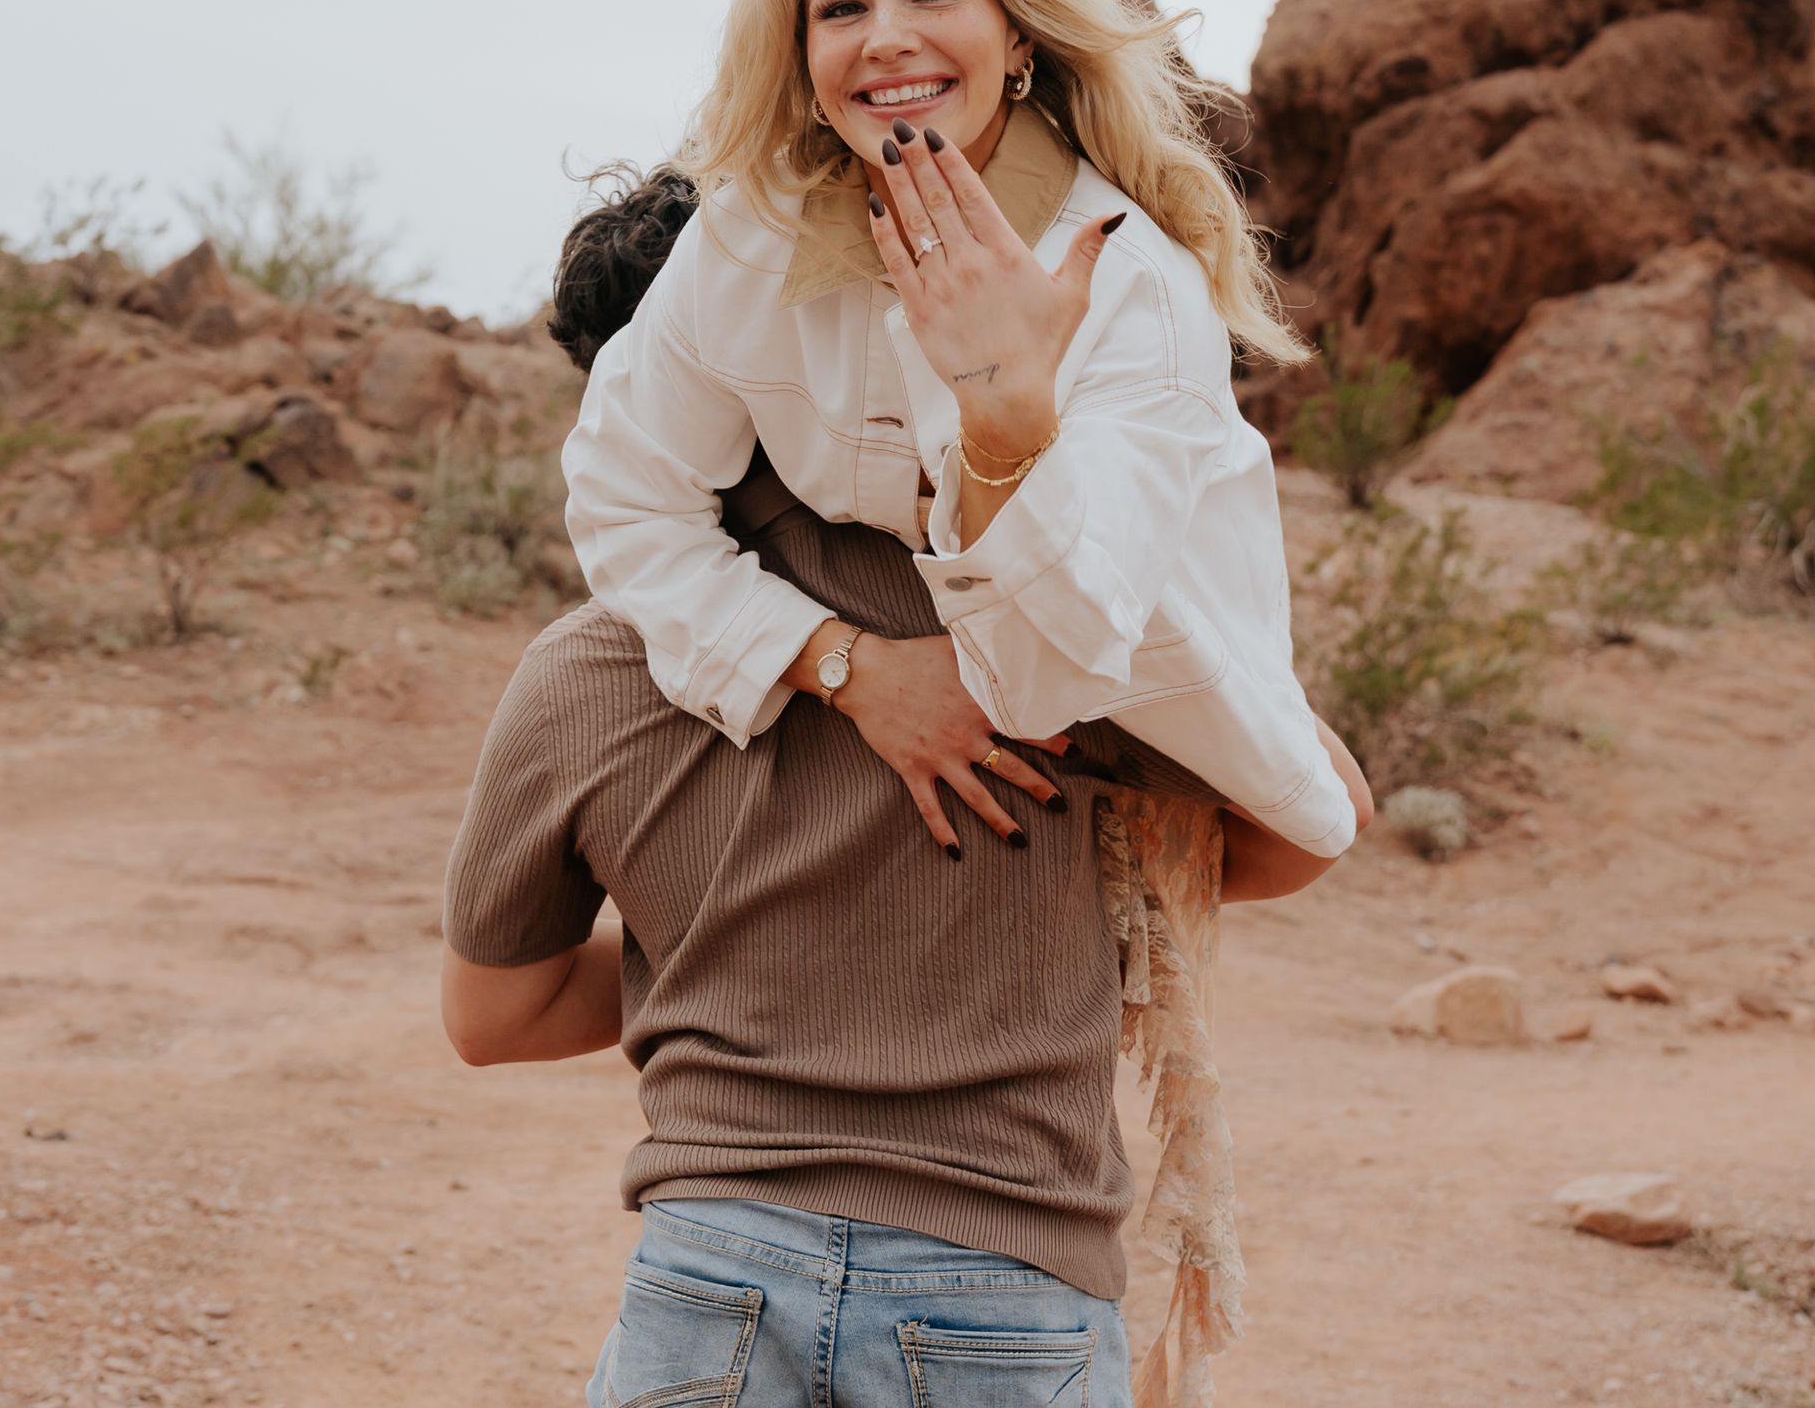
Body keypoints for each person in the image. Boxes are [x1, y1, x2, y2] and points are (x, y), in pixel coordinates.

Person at [443, 171, 1374, 1408]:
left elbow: (492, 1017)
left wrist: (719, 950)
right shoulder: (1028, 608)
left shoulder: (584, 669)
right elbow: (1317, 815)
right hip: (1006, 1275)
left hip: (712, 1272)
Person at [561, 0, 1357, 864]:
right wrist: (845, 665)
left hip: (1142, 648)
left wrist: (1003, 412)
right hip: (884, 641)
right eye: (842, 7)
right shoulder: (743, 235)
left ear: (1019, 35)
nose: (886, 37)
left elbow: (1050, 672)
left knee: (1318, 824)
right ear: (803, 56)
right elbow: (623, 492)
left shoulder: (1130, 279)